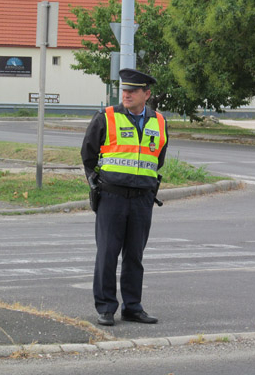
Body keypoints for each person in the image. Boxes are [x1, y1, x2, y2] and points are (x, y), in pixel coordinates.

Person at [81, 68, 168, 326]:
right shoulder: (106, 117)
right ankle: (106, 307)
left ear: (146, 94)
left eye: (133, 91)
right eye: (124, 90)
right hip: (112, 196)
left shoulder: (160, 121)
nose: (126, 94)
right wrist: (96, 183)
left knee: (134, 256)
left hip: (142, 198)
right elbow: (88, 154)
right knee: (107, 253)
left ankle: (133, 307)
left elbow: (158, 158)